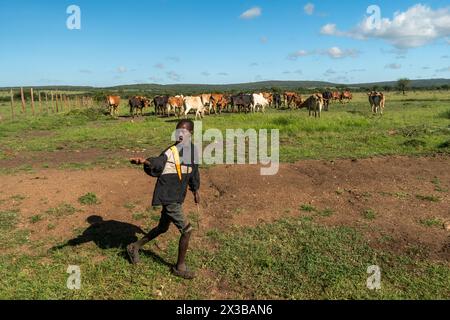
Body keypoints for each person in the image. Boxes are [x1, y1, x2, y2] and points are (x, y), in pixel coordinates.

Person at [127, 119, 200, 279]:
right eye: (178, 131)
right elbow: (157, 163)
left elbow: (194, 171)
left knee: (162, 228)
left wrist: (195, 189)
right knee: (187, 231)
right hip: (169, 197)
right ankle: (179, 267)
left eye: (185, 131)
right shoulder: (171, 152)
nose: (181, 134)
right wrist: (145, 161)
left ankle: (134, 247)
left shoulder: (193, 152)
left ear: (191, 134)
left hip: (177, 196)